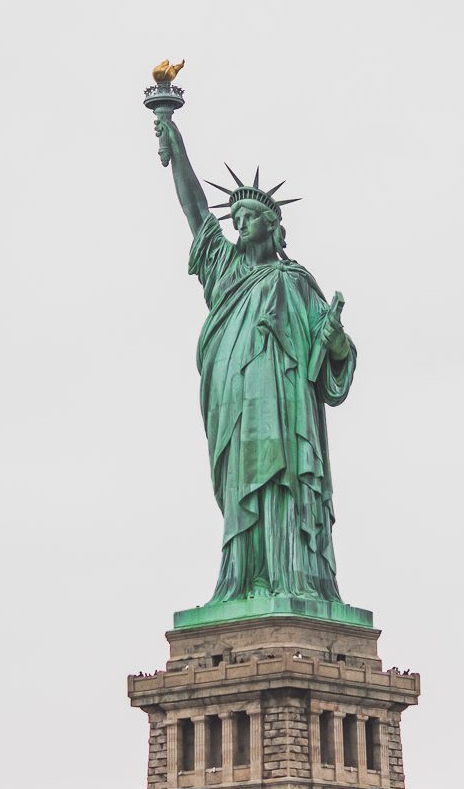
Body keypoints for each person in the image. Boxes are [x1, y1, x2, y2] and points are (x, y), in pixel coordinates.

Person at [152, 114, 356, 609]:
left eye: (250, 216)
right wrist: (175, 145)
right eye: (236, 217)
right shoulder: (223, 269)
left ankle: (292, 580)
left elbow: (335, 362)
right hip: (236, 403)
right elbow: (196, 212)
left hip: (286, 412)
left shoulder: (295, 281)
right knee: (244, 484)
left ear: (274, 226)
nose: (239, 223)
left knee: (283, 485)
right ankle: (244, 583)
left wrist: (333, 343)